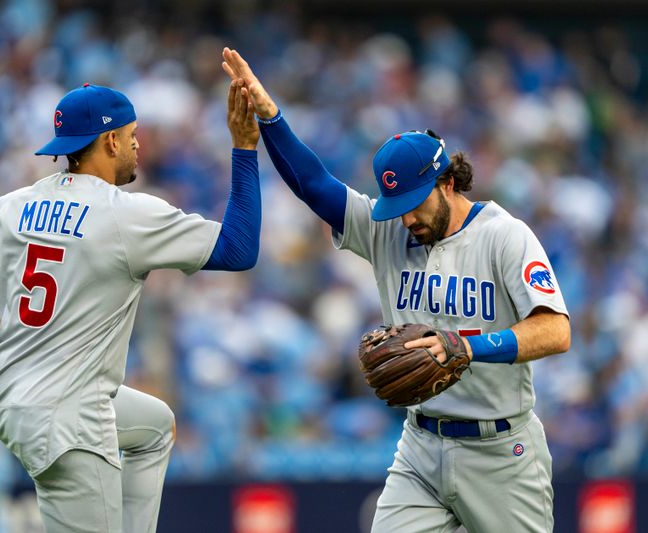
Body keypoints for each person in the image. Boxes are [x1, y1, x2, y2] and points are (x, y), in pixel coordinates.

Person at [222, 48, 571, 533]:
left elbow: (555, 331)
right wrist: (271, 117)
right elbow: (315, 185)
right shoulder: (390, 230)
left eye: (414, 202)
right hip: (420, 447)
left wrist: (466, 348)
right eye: (396, 205)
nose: (406, 218)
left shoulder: (504, 236)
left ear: (448, 181)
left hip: (501, 452)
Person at [0, 79, 261, 533]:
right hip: (66, 413)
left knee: (154, 427)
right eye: (132, 136)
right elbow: (240, 248)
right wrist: (244, 148)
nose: (137, 146)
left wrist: (40, 318)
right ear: (110, 140)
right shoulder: (124, 213)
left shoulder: (11, 205)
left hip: (9, 393)